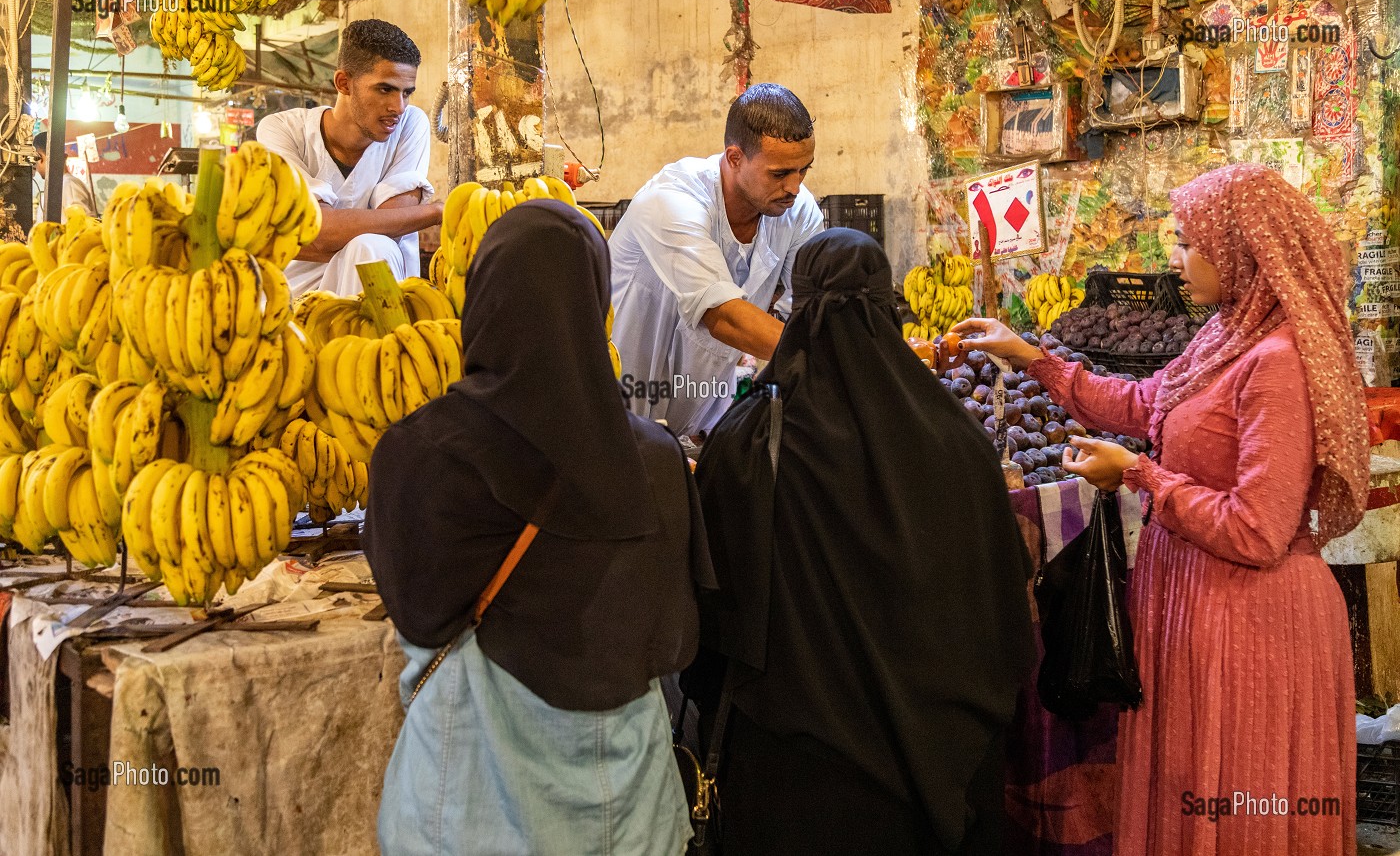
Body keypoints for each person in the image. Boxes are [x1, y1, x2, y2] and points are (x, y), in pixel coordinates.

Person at [953, 163, 1369, 856]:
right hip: (1201, 609)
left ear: (1236, 246)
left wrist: (1141, 475)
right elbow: (1147, 405)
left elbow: (1258, 530)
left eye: (1185, 241)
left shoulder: (1277, 362)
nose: (1174, 261)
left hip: (1252, 628)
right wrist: (1034, 358)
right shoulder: (1225, 336)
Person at [364, 201, 714, 856]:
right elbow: (672, 636)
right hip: (631, 813)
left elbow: (417, 614)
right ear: (595, 301)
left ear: (484, 298)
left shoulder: (423, 453)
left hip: (469, 807)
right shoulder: (658, 457)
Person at [692, 228, 1036, 855]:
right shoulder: (956, 441)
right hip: (941, 763)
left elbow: (714, 604)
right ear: (887, 307)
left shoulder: (748, 437)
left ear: (795, 309)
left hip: (795, 775)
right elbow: (1001, 595)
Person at [608, 83, 826, 438]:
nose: (794, 187)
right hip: (623, 400)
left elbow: (806, 313)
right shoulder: (672, 200)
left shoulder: (797, 211)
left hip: (698, 409)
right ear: (735, 157)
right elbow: (724, 316)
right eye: (780, 173)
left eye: (804, 170)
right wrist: (833, 358)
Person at [257, 19, 441, 298]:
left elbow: (380, 229)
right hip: (297, 302)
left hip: (381, 298)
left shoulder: (411, 124)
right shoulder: (281, 131)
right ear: (344, 83)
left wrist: (315, 234)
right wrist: (435, 212)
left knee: (372, 247)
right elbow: (319, 231)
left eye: (406, 93)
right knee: (371, 243)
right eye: (385, 89)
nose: (398, 107)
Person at [32, 132, 98, 217]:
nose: (36, 169)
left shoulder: (69, 185)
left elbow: (82, 225)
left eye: (35, 161)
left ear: (40, 158)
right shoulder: (57, 186)